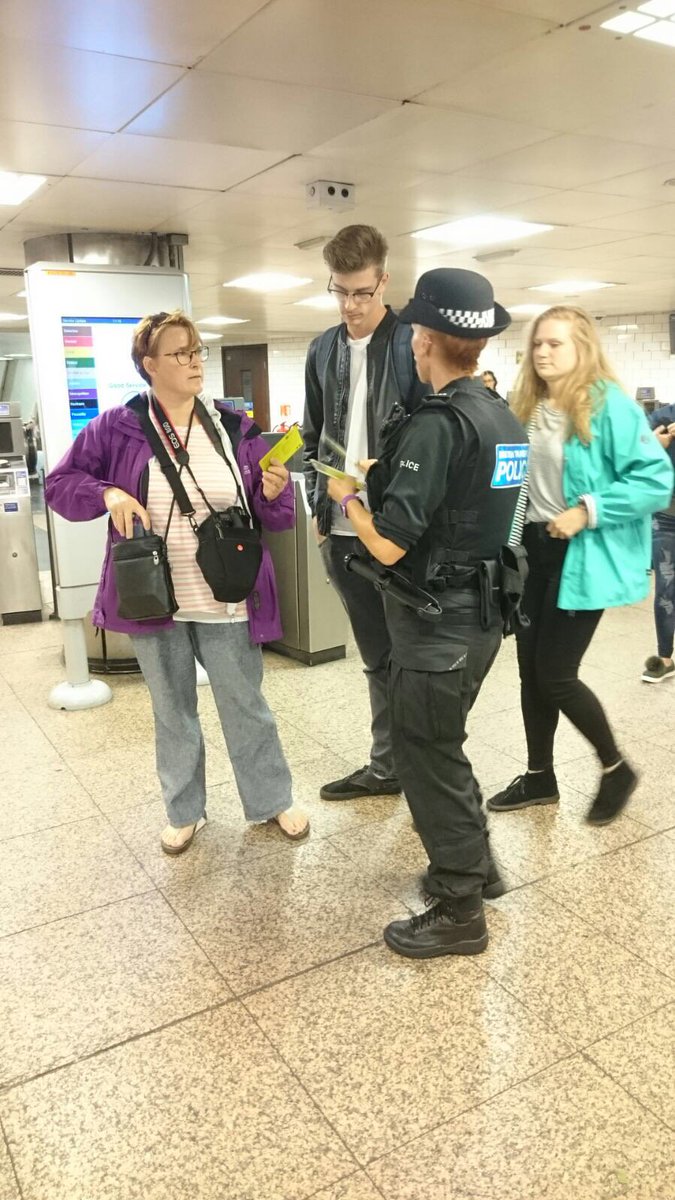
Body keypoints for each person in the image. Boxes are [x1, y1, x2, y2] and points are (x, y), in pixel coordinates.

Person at [46, 310, 309, 853]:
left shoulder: (233, 428)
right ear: (149, 364)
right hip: (154, 597)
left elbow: (274, 515)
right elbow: (61, 484)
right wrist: (107, 494)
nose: (193, 361)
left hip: (226, 594)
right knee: (172, 712)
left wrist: (275, 490)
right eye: (179, 353)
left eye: (196, 350)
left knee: (245, 704)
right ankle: (185, 810)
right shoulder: (116, 426)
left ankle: (271, 798)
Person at [326, 267, 529, 959]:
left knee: (424, 754)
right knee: (444, 744)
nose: (410, 340)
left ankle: (458, 907)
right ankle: (479, 866)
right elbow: (477, 506)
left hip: (435, 622)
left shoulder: (438, 424)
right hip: (483, 614)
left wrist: (349, 497)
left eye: (413, 329)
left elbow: (388, 544)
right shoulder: (501, 417)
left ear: (425, 340)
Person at [486, 306, 673, 826]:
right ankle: (539, 777)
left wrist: (588, 510)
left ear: (582, 348)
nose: (543, 352)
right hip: (531, 553)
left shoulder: (610, 407)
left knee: (555, 674)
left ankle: (616, 768)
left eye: (556, 344)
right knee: (530, 673)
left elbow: (655, 481)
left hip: (582, 555)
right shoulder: (526, 405)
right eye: (537, 344)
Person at [302, 224, 419, 803]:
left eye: (361, 293)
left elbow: (430, 437)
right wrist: (318, 509)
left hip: (397, 534)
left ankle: (419, 764)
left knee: (412, 659)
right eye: (340, 291)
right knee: (375, 657)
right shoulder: (322, 349)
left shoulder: (411, 345)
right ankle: (388, 765)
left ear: (384, 282)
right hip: (342, 533)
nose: (350, 305)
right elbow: (312, 436)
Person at [642, 401, 675, 682]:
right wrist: (655, 443)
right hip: (666, 517)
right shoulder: (663, 417)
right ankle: (665, 657)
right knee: (665, 588)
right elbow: (633, 452)